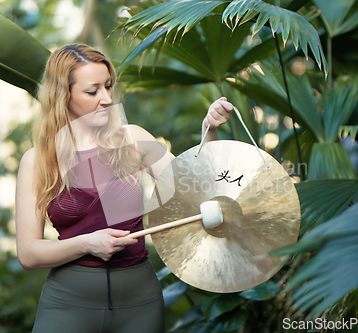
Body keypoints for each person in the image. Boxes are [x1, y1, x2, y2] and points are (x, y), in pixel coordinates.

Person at [15, 43, 233, 333]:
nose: (106, 99)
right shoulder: (38, 160)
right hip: (68, 303)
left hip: (140, 301)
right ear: (62, 96)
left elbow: (200, 191)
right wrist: (87, 243)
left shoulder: (132, 140)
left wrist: (211, 128)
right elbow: (28, 254)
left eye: (108, 86)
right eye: (92, 91)